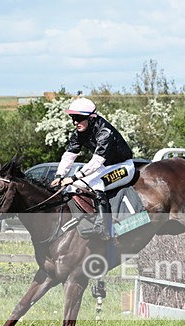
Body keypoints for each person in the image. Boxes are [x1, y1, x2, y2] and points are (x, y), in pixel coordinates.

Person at [49, 97, 135, 239]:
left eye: (79, 118)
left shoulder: (105, 132)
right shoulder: (79, 133)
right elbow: (69, 155)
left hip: (124, 166)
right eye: (73, 118)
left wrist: (73, 176)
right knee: (73, 187)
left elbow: (96, 161)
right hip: (105, 167)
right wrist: (59, 176)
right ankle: (83, 222)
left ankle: (103, 226)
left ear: (92, 117)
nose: (75, 122)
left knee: (95, 183)